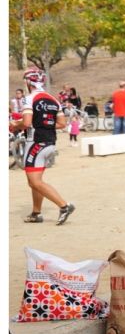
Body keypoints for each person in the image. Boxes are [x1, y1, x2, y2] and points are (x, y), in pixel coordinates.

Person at [11, 67, 75, 225]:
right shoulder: (53, 99)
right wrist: (45, 125)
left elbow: (26, 123)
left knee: (34, 182)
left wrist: (14, 124)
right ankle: (36, 213)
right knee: (36, 180)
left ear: (28, 82)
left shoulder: (29, 98)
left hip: (35, 143)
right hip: (50, 143)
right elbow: (61, 123)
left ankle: (64, 206)